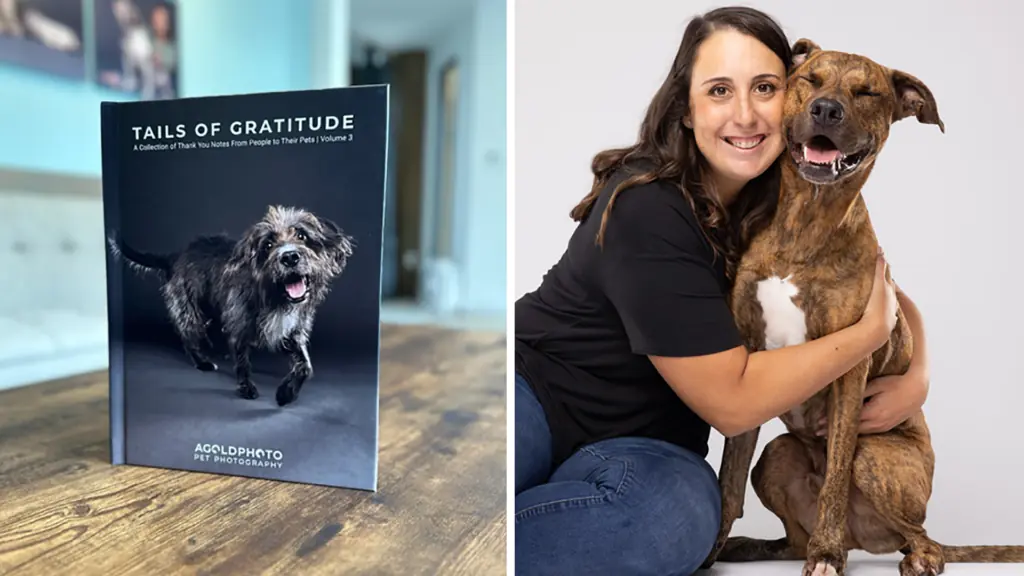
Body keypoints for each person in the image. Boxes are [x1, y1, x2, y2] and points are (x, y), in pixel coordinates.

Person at [514, 6, 931, 575]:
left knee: (663, 526)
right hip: (533, 392)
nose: (744, 113)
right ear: (685, 109)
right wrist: (868, 336)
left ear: (789, 96)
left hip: (650, 446)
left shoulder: (789, 195)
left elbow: (876, 286)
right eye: (717, 91)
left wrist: (917, 375)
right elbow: (733, 405)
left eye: (764, 87)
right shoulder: (646, 208)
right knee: (462, 481)